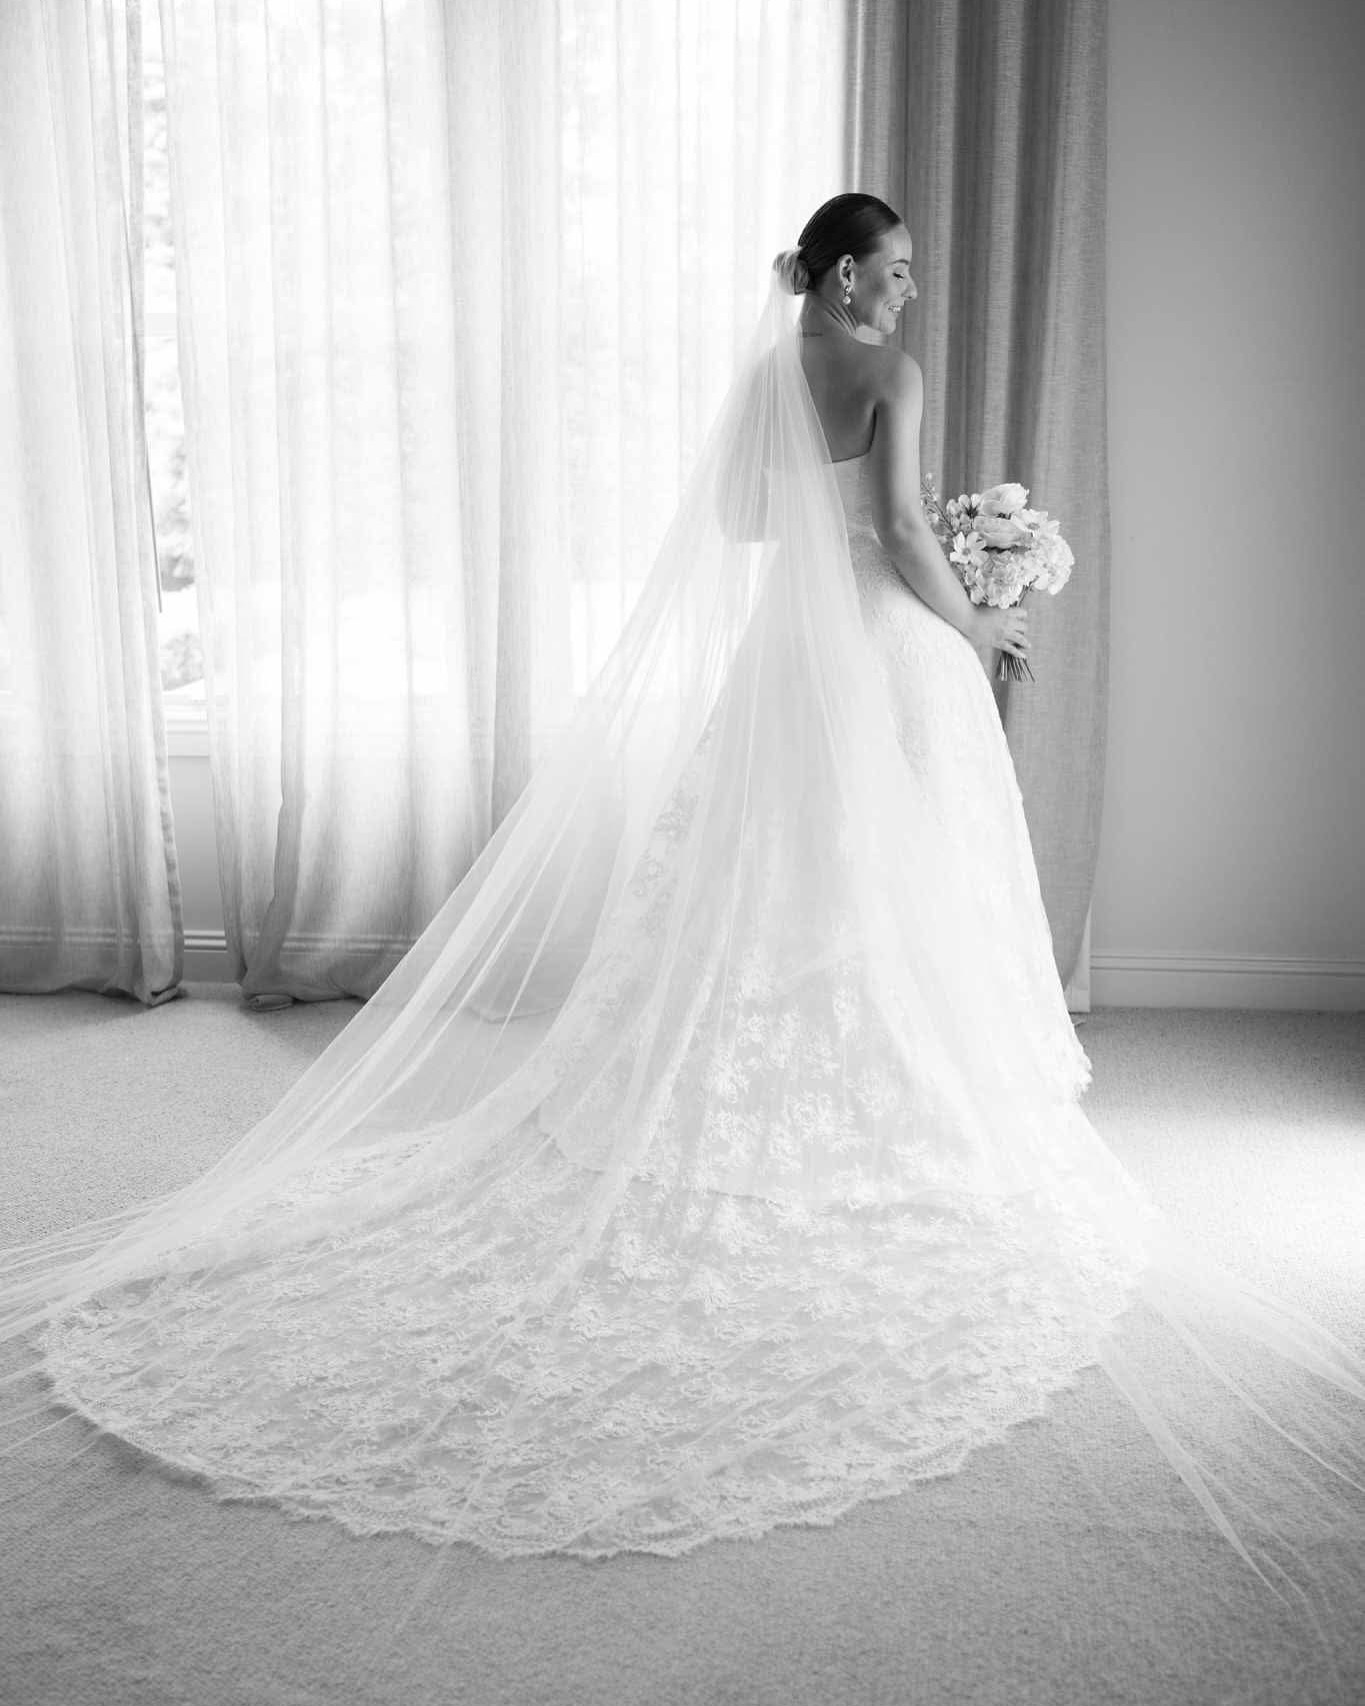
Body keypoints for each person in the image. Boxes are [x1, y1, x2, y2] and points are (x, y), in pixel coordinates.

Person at [0, 195, 1361, 1656]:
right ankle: (909, 1080)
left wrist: (864, 534)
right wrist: (976, 618)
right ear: (843, 274)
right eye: (896, 270)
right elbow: (905, 527)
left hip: (791, 647)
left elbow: (741, 523)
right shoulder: (889, 376)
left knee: (775, 862)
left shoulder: (773, 373)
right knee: (894, 864)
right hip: (882, 645)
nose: (910, 291)